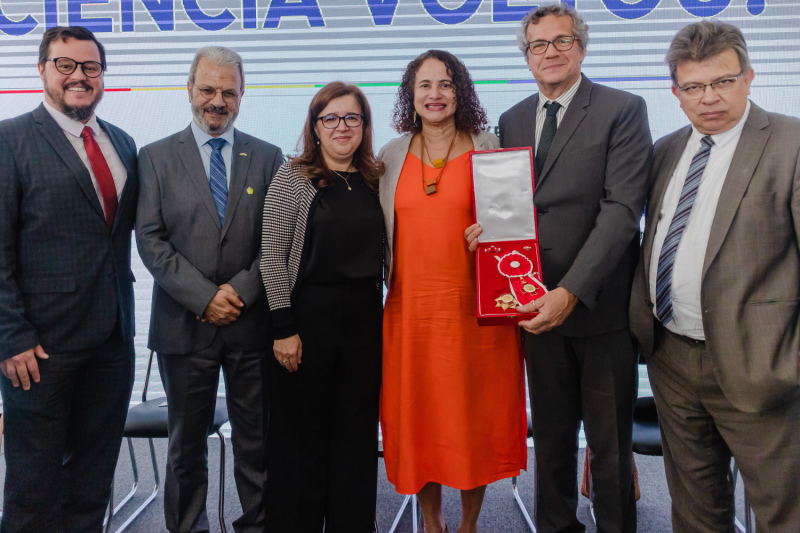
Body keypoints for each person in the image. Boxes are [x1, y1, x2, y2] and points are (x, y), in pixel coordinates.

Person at [464, 4, 653, 532]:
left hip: (598, 310)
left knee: (610, 447)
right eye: (538, 45)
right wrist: (486, 234)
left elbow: (621, 212)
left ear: (582, 47)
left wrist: (569, 291)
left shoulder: (623, 108)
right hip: (530, 307)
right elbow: (515, 208)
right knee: (549, 441)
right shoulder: (514, 117)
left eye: (561, 41)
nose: (549, 52)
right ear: (526, 57)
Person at [629, 20, 800, 532]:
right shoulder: (665, 149)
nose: (709, 98)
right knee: (697, 509)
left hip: (761, 362)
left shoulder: (791, 145)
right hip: (672, 358)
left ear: (749, 77)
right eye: (694, 87)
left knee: (783, 511)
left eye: (723, 81)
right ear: (676, 92)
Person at [379, 50, 528, 533]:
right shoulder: (390, 154)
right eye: (425, 85)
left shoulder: (490, 147)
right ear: (411, 94)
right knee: (419, 420)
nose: (435, 94)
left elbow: (515, 229)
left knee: (472, 421)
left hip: (475, 312)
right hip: (410, 311)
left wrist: (493, 232)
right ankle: (432, 521)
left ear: (460, 91)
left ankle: (468, 524)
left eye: (445, 84)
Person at [136, 46, 283, 533]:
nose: (217, 100)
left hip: (250, 325)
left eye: (228, 91)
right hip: (184, 327)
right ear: (189, 89)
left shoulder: (267, 156)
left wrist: (236, 293)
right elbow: (151, 240)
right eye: (208, 89)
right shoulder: (154, 157)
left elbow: (276, 240)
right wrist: (204, 297)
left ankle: (259, 526)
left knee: (257, 443)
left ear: (243, 95)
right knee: (185, 447)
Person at [0, 26, 138, 533]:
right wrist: (10, 336)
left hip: (113, 340)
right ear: (42, 70)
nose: (79, 76)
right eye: (66, 65)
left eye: (90, 67)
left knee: (92, 479)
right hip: (39, 348)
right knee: (34, 486)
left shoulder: (121, 142)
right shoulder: (9, 140)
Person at [260, 81, 385, 533]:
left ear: (364, 125)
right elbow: (272, 257)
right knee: (302, 440)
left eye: (352, 117)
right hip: (305, 321)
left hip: (367, 321)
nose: (341, 126)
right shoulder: (292, 179)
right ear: (314, 126)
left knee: (355, 439)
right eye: (329, 118)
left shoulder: (377, 178)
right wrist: (282, 327)